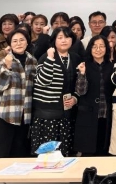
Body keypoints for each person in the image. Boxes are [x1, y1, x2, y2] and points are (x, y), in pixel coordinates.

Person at [31, 27, 81, 156]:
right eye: (60, 37)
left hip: (67, 115)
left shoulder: (75, 58)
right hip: (47, 114)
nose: (64, 40)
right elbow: (42, 81)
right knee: (47, 155)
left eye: (67, 37)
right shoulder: (45, 57)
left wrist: (75, 98)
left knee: (64, 154)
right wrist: (50, 58)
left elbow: (78, 84)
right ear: (54, 40)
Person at [0, 30, 37, 159]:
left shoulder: (33, 61)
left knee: (20, 151)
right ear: (10, 44)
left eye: (22, 40)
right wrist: (7, 68)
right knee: (3, 152)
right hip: (5, 113)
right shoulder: (4, 61)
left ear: (27, 42)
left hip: (24, 113)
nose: (18, 43)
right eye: (15, 41)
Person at [74, 35, 114, 156]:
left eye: (101, 46)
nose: (98, 49)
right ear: (90, 48)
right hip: (88, 114)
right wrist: (82, 74)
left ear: (106, 48)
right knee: (88, 151)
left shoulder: (112, 66)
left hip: (106, 114)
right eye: (94, 46)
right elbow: (80, 91)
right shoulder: (84, 65)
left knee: (104, 150)